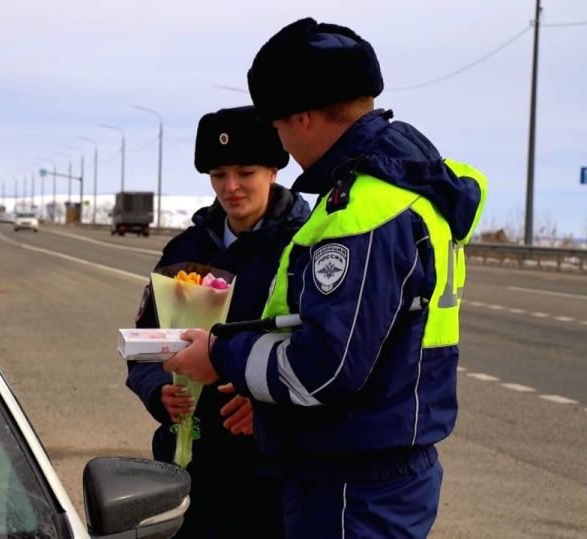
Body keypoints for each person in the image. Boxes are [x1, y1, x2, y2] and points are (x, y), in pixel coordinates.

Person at [164, 18, 488, 538]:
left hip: (351, 479)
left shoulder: (363, 211)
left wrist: (220, 354)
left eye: (278, 127)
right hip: (378, 462)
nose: (280, 141)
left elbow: (324, 367)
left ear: (304, 117)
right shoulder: (411, 186)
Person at [126, 105, 309, 537]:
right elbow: (145, 344)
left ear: (273, 170)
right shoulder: (183, 250)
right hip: (190, 467)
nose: (231, 187)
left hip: (272, 473)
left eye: (245, 172)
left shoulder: (305, 250)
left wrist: (270, 403)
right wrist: (158, 392)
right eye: (218, 175)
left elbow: (329, 354)